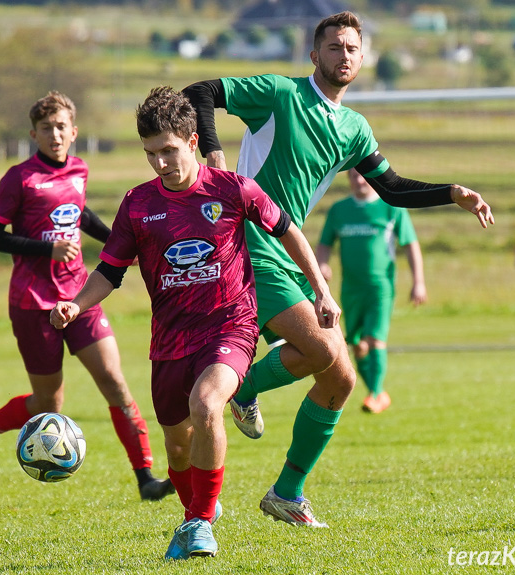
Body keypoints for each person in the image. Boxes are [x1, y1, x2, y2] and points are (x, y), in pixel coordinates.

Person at [182, 10, 494, 526]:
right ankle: (241, 393)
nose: (343, 55)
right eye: (333, 47)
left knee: (341, 378)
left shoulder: (353, 127)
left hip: (289, 251)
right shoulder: (281, 94)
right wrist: (214, 156)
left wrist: (451, 194)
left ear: (362, 57)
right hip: (244, 243)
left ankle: (286, 490)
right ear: (315, 55)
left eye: (352, 48)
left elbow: (390, 187)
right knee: (322, 349)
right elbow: (199, 92)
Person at [50, 86, 333, 560]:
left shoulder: (232, 189)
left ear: (192, 142)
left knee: (207, 406)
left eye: (169, 151)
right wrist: (77, 304)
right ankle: (201, 507)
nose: (161, 163)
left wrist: (321, 290)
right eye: (151, 154)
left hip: (230, 326)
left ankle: (199, 522)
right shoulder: (138, 205)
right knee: (178, 450)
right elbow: (110, 272)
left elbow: (289, 233)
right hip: (170, 341)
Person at [0, 90, 174, 502]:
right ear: (34, 133)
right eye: (47, 128)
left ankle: (146, 477)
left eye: (61, 126)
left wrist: (126, 244)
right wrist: (48, 248)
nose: (55, 134)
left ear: (74, 131)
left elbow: (80, 215)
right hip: (33, 303)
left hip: (79, 297)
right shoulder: (19, 177)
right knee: (50, 403)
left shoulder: (79, 170)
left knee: (115, 383)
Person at [317, 167, 427, 414]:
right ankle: (377, 392)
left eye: (363, 175)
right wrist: (321, 264)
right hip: (350, 289)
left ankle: (375, 394)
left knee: (375, 340)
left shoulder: (391, 207)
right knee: (357, 345)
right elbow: (324, 244)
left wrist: (418, 281)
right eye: (353, 176)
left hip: (380, 288)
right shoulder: (339, 210)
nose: (358, 180)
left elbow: (410, 245)